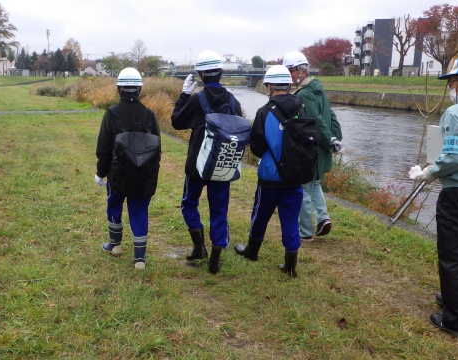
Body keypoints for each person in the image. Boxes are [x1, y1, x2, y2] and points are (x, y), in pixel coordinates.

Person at [171, 50, 244, 274]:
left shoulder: (196, 100)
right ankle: (215, 259)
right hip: (223, 164)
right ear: (221, 72)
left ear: (201, 75)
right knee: (219, 211)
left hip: (197, 166)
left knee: (189, 203)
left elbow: (176, 122)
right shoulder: (234, 102)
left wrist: (184, 94)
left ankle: (198, 247)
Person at [417, 58, 458, 341]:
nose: (451, 87)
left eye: (453, 81)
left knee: (455, 254)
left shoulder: (457, 113)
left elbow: (452, 158)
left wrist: (428, 173)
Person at [233, 65, 305, 277]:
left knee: (260, 214)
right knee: (291, 220)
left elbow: (256, 147)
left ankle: (251, 252)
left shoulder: (264, 112)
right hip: (295, 176)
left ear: (270, 86)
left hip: (270, 177)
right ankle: (291, 266)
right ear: (289, 86)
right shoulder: (301, 109)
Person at [95, 67, 161, 270]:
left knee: (114, 204)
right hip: (144, 174)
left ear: (118, 90)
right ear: (139, 90)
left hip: (118, 175)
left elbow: (104, 148)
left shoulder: (111, 114)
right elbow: (158, 148)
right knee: (139, 211)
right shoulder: (150, 115)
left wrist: (100, 172)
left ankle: (114, 246)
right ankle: (139, 258)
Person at [282, 51, 342, 242]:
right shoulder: (318, 88)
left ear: (302, 70)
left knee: (303, 189)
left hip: (311, 149)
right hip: (322, 148)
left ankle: (305, 232)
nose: (289, 75)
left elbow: (315, 120)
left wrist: (330, 139)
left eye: (290, 71)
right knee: (314, 183)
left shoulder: (305, 94)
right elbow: (331, 115)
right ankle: (323, 218)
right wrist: (334, 137)